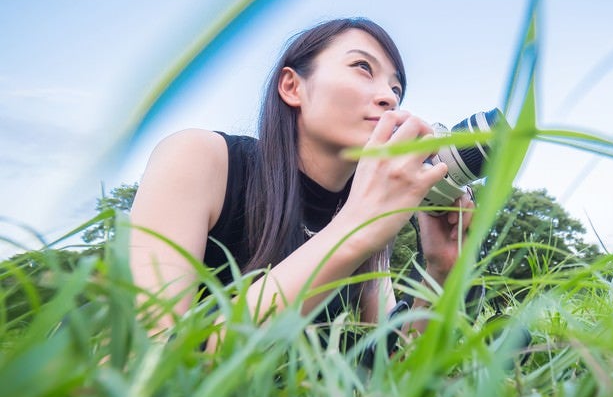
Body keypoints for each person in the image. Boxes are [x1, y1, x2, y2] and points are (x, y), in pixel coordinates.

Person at [129, 17, 473, 349]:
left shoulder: (367, 214)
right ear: (292, 87)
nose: (389, 97)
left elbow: (387, 372)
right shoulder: (200, 157)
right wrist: (355, 232)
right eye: (363, 68)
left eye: (396, 88)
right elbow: (154, 355)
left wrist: (441, 270)